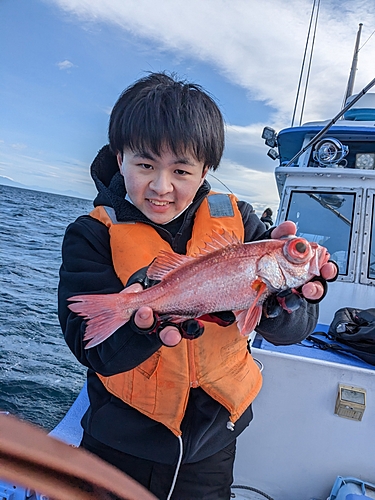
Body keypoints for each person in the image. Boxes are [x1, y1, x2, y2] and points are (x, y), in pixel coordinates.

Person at [58, 72, 337, 500]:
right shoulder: (91, 235)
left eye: (181, 170)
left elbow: (293, 331)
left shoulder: (242, 221)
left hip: (213, 444)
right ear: (120, 160)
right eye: (145, 165)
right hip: (119, 445)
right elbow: (91, 349)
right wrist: (145, 320)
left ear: (206, 170)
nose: (161, 186)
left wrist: (282, 306)